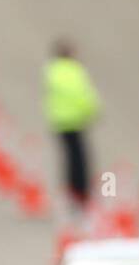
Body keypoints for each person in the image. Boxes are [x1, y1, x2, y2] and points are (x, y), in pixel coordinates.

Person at [43, 39, 102, 212]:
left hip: (60, 121)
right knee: (79, 160)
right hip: (75, 120)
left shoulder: (51, 71)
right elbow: (81, 94)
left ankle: (72, 193)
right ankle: (81, 194)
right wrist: (93, 110)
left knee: (70, 159)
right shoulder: (72, 71)